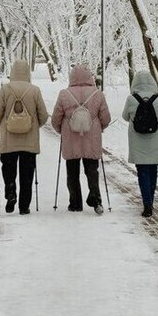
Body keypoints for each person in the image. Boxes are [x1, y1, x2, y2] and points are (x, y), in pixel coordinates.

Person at [51, 65, 111, 215]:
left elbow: (55, 119)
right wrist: (99, 127)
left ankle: (75, 203)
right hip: (92, 138)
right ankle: (96, 200)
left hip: (71, 139)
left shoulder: (64, 94)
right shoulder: (98, 94)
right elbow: (106, 118)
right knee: (92, 170)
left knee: (72, 172)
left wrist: (61, 131)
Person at [0, 59, 49, 215]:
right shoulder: (35, 90)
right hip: (29, 142)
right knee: (27, 173)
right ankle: (24, 206)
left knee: (8, 168)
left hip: (8, 139)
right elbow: (44, 115)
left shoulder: (5, 89)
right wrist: (33, 126)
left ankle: (10, 193)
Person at [122, 70, 158, 218]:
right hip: (155, 141)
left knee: (142, 172)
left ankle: (147, 203)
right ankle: (151, 199)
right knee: (153, 170)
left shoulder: (131, 99)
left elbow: (125, 117)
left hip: (137, 142)